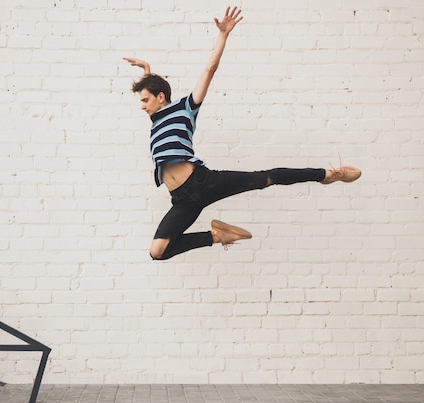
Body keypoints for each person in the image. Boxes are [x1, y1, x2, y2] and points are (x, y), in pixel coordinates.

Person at [124, 6, 361, 261]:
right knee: (157, 251)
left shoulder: (185, 109)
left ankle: (328, 175)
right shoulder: (155, 119)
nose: (142, 105)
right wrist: (147, 70)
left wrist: (223, 35)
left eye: (145, 99)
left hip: (202, 182)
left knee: (266, 178)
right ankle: (217, 236)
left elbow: (209, 70)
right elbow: (153, 92)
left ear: (161, 98)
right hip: (182, 199)